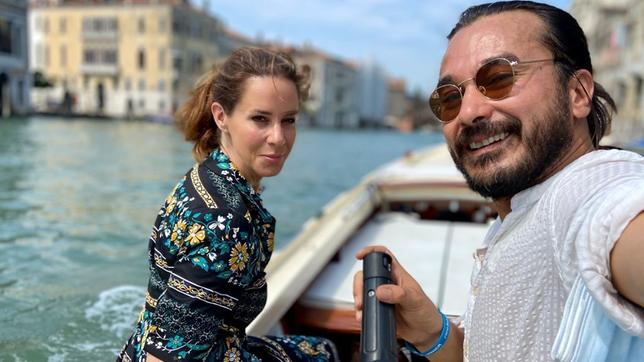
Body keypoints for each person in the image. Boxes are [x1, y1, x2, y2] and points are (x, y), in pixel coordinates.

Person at [353, 2, 644, 361]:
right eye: (449, 98)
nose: (469, 112)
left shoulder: (584, 193)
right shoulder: (519, 212)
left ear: (578, 93)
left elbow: (614, 215)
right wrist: (432, 332)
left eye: (499, 78)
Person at [118, 47, 337, 362]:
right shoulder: (227, 224)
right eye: (260, 119)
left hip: (141, 348)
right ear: (221, 116)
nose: (279, 137)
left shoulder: (206, 176)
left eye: (288, 120)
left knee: (323, 350)